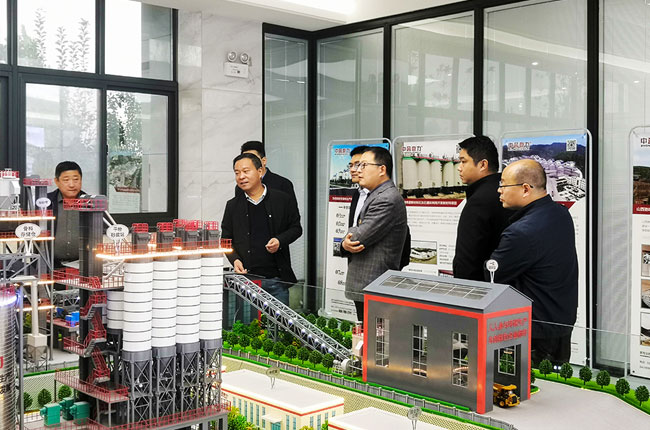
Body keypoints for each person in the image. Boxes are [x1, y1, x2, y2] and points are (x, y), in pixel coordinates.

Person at [488, 159, 578, 366]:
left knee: (526, 383)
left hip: (533, 331)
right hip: (560, 322)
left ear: (525, 189)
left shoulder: (521, 232)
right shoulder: (560, 213)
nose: (499, 190)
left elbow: (493, 274)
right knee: (555, 381)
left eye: (503, 184)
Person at [222, 153, 302, 305]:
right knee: (247, 320)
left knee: (278, 320)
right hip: (246, 281)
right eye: (237, 173)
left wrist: (280, 240)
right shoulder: (232, 205)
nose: (241, 177)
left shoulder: (282, 199)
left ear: (259, 172)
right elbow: (225, 240)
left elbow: (296, 228)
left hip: (276, 281)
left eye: (246, 171)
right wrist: (235, 259)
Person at [342, 147, 408, 320]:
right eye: (357, 166)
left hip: (374, 284)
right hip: (368, 285)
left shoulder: (386, 198)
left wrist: (350, 234)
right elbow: (357, 230)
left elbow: (358, 237)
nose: (358, 170)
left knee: (376, 334)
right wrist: (349, 236)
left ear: (382, 169)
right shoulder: (375, 195)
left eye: (364, 165)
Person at [453, 136, 512, 281]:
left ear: (483, 165)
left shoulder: (479, 201)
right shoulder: (507, 192)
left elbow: (467, 258)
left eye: (463, 161)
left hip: (481, 285)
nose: (459, 167)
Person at [235, 140, 298, 210]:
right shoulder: (241, 187)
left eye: (253, 159)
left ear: (264, 161)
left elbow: (292, 214)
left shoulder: (283, 184)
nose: (249, 163)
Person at [47, 161, 84, 266]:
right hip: (50, 264)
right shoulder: (46, 202)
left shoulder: (90, 203)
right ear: (57, 181)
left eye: (76, 179)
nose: (72, 185)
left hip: (82, 265)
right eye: (66, 180)